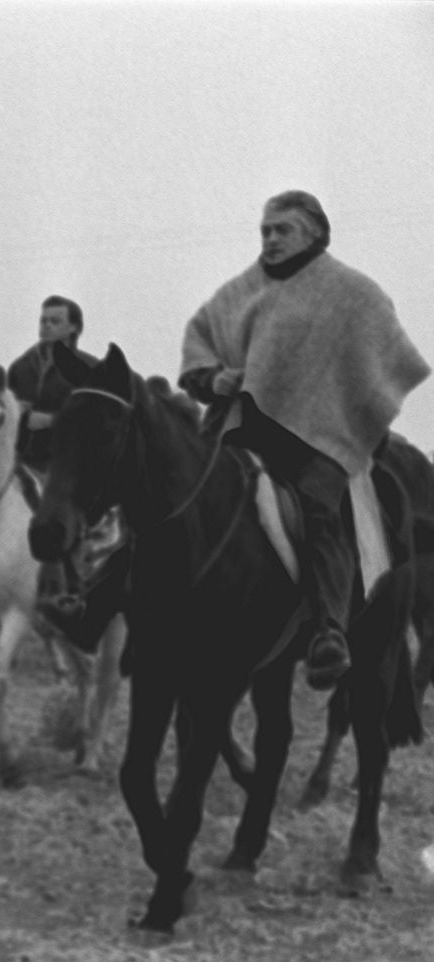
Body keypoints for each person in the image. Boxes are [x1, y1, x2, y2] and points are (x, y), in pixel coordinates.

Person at [178, 189, 429, 687]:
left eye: (281, 230)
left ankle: (328, 632)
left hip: (319, 439)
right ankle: (110, 599)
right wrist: (213, 380)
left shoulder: (354, 294)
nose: (270, 240)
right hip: (241, 432)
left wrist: (353, 416)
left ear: (313, 233)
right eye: (265, 231)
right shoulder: (239, 292)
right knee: (181, 497)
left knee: (320, 509)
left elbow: (381, 362)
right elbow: (199, 346)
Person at [6, 296, 94, 472]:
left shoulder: (90, 369)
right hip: (19, 465)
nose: (46, 325)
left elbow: (99, 420)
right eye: (43, 320)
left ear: (73, 327)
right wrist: (15, 410)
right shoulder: (20, 367)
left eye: (55, 321)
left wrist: (52, 420)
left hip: (68, 468)